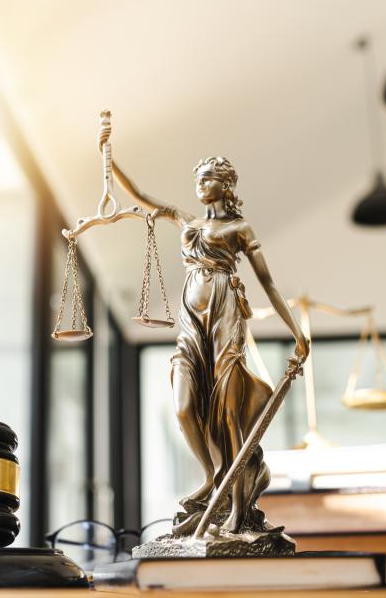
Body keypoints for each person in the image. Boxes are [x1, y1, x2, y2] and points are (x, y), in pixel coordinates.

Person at [107, 151, 309, 536]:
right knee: (184, 406)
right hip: (190, 319)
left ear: (226, 185)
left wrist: (297, 332)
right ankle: (212, 476)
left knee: (231, 413)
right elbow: (140, 194)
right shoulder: (186, 220)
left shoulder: (240, 228)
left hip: (224, 313)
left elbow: (268, 283)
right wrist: (108, 157)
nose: (200, 184)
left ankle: (237, 511)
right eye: (198, 178)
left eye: (208, 177)